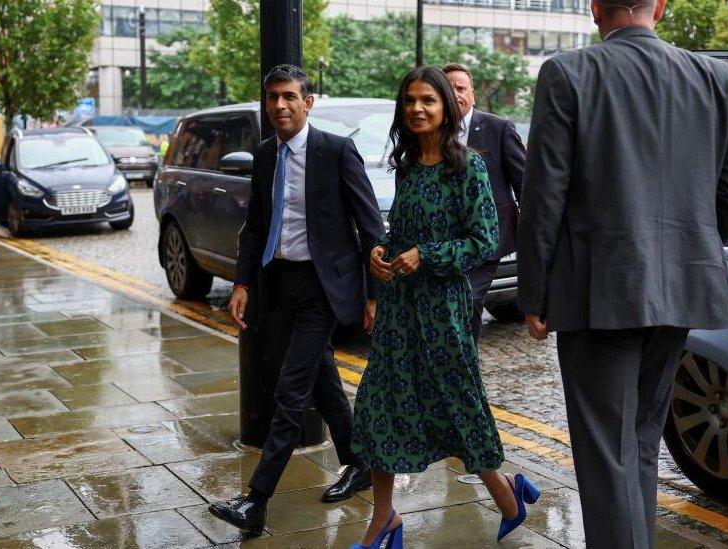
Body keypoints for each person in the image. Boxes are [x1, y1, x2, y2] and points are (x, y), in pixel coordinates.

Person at [516, 0, 728, 545]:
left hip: (598, 292)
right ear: (662, 8)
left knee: (607, 455)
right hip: (679, 288)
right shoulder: (715, 75)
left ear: (596, 7)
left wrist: (534, 291)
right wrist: (687, 250)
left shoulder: (568, 72)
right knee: (641, 441)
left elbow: (544, 192)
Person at [350, 66, 539, 549]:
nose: (417, 108)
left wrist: (427, 256)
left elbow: (483, 240)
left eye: (428, 101)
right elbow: (402, 233)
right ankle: (384, 518)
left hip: (443, 313)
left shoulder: (469, 166)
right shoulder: (408, 166)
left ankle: (507, 495)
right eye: (410, 100)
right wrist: (381, 251)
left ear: (446, 108)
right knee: (379, 406)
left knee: (458, 405)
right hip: (399, 309)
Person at [208, 64, 385, 534]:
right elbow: (257, 226)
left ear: (308, 102)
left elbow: (371, 229)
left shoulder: (336, 151)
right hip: (278, 284)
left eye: (289, 96)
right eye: (272, 98)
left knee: (290, 390)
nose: (280, 106)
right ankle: (358, 461)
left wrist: (374, 295)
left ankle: (257, 499)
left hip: (323, 288)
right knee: (321, 376)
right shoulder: (266, 155)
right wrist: (242, 283)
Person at [441, 63, 526, 343]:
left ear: (472, 94)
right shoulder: (430, 132)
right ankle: (465, 365)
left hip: (489, 239)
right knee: (455, 307)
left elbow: (523, 183)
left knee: (468, 299)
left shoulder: (498, 128)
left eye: (461, 88)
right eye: (448, 89)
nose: (455, 95)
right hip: (445, 241)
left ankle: (464, 365)